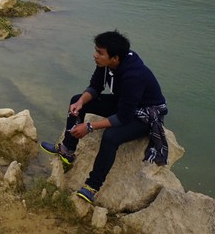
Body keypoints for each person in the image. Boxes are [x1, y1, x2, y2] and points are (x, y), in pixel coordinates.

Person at [40, 30, 168, 204]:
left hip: (144, 115)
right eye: (96, 50)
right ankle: (68, 150)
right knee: (77, 100)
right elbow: (95, 86)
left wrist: (90, 127)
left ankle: (92, 186)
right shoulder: (106, 64)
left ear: (115, 58)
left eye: (100, 53)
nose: (95, 55)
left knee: (110, 137)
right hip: (123, 103)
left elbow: (123, 117)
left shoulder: (134, 75)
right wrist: (80, 103)